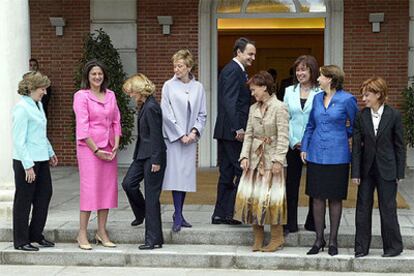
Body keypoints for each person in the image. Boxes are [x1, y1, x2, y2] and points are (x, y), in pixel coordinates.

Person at [301, 65, 358, 256]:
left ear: (331, 79)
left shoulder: (347, 99)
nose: (318, 79)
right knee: (316, 197)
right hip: (316, 154)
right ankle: (319, 239)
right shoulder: (317, 98)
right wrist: (305, 147)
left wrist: (342, 134)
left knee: (335, 198)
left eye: (321, 76)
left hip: (338, 155)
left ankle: (333, 241)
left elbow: (356, 125)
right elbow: (310, 125)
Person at [234, 71, 289, 252]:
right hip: (255, 161)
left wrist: (278, 160)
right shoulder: (253, 109)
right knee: (253, 198)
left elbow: (283, 136)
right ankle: (258, 238)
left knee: (273, 200)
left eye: (254, 89)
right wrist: (244, 156)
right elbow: (248, 135)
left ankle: (277, 238)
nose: (252, 93)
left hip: (273, 160)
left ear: (264, 87)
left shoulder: (279, 107)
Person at [352, 77, 405, 258]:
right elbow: (357, 147)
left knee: (388, 208)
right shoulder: (360, 116)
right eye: (363, 95)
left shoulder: (394, 115)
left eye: (367, 95)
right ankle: (361, 248)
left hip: (387, 169)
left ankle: (393, 247)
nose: (364, 98)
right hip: (366, 170)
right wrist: (355, 173)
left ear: (378, 94)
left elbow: (400, 146)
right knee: (363, 208)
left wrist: (399, 172)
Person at [73, 59, 121, 250]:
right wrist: (96, 150)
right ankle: (82, 233)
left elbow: (117, 121)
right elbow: (82, 128)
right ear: (87, 76)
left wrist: (115, 145)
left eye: (100, 74)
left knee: (107, 190)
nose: (97, 77)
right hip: (89, 149)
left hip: (109, 148)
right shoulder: (81, 96)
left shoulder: (111, 95)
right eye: (93, 74)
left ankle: (102, 231)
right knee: (90, 190)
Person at [160, 49, 207, 232]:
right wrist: (180, 134)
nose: (176, 69)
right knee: (175, 176)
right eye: (175, 65)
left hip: (191, 139)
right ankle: (177, 214)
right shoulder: (168, 86)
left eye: (180, 66)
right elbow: (166, 113)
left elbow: (202, 114)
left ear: (189, 67)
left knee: (186, 177)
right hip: (174, 139)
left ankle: (179, 213)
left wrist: (194, 132)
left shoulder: (198, 87)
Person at [12, 71, 58, 251]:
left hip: (41, 159)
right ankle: (21, 241)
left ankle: (36, 235)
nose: (45, 92)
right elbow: (19, 140)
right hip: (26, 162)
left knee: (44, 195)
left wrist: (50, 152)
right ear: (31, 88)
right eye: (42, 89)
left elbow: (40, 134)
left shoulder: (37, 105)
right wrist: (28, 165)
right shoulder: (22, 108)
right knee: (24, 200)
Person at [212, 37, 256, 225]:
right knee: (241, 169)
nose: (253, 57)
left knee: (228, 172)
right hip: (232, 131)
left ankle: (221, 214)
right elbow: (229, 101)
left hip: (227, 130)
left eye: (254, 54)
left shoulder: (238, 70)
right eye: (250, 53)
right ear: (239, 52)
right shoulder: (233, 71)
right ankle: (230, 213)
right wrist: (238, 127)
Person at [122, 73, 166, 250]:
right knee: (128, 184)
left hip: (153, 157)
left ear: (138, 90)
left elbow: (156, 135)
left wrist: (156, 160)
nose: (130, 95)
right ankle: (141, 213)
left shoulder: (151, 107)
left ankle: (153, 240)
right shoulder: (145, 105)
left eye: (131, 91)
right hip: (141, 156)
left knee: (152, 197)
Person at [283, 55, 320, 235]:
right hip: (293, 144)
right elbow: (285, 118)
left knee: (314, 184)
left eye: (304, 69)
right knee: (291, 184)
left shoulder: (321, 92)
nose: (300, 73)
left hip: (313, 144)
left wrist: (307, 141)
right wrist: (293, 140)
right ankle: (290, 223)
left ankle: (313, 222)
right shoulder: (289, 91)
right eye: (298, 70)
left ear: (312, 71)